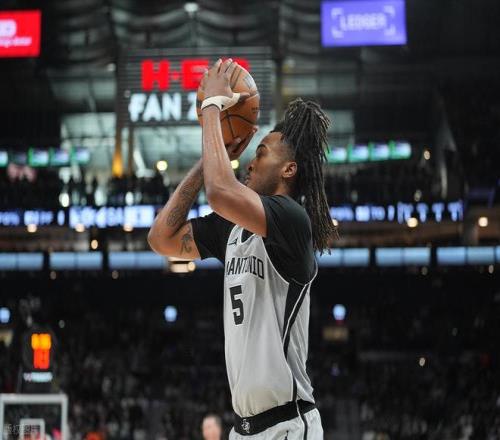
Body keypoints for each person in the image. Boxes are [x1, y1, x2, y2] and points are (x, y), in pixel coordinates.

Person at [148, 58, 336, 439]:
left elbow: (220, 191)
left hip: (288, 425)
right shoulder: (232, 229)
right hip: (243, 429)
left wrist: (212, 108)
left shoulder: (291, 220)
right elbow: (161, 239)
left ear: (288, 170)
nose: (249, 162)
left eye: (261, 153)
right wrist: (206, 161)